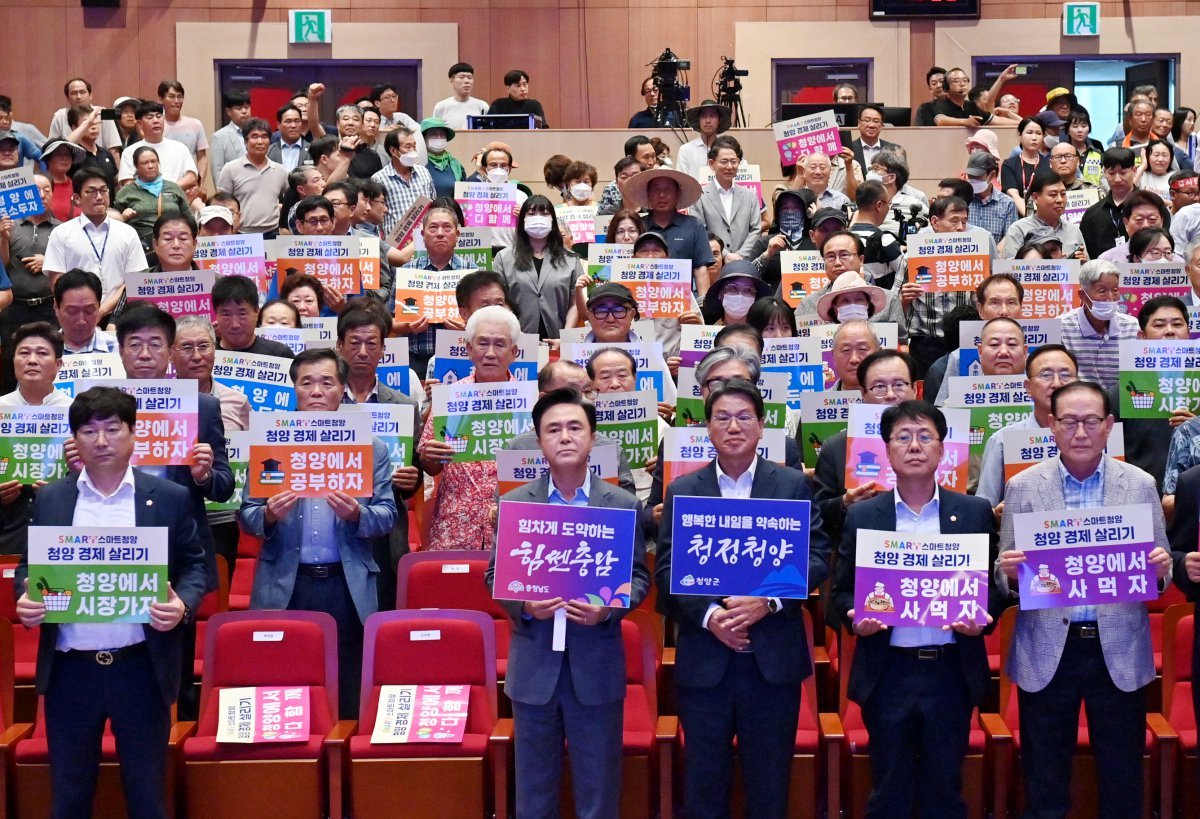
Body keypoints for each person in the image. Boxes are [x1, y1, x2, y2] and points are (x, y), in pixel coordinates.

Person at [14, 385, 208, 817]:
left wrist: (183, 607)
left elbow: (197, 566)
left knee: (146, 797)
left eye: (112, 428)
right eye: (88, 431)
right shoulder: (52, 497)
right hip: (70, 672)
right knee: (69, 797)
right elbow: (30, 568)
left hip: (140, 668)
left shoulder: (168, 498)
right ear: (75, 440)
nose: (101, 441)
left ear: (133, 434)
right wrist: (25, 597)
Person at [995, 380, 1172, 819]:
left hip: (1118, 647)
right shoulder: (1024, 487)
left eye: (1091, 421)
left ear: (1109, 426)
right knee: (1045, 777)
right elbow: (1004, 576)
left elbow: (1161, 577)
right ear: (1051, 426)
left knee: (1122, 776)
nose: (1080, 432)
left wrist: (1160, 567)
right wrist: (1011, 574)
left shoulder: (1140, 484)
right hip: (1048, 648)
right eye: (1069, 421)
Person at [655, 378, 830, 819]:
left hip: (771, 659)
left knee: (770, 787)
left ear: (762, 425)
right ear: (707, 429)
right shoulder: (683, 490)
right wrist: (712, 615)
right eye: (722, 417)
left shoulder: (791, 485)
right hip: (706, 660)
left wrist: (767, 602)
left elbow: (818, 557)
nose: (733, 426)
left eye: (744, 417)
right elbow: (667, 570)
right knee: (704, 786)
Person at [830, 400, 997, 818]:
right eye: (903, 437)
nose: (915, 446)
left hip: (950, 669)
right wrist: (856, 618)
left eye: (926, 437)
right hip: (889, 671)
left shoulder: (973, 512)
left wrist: (981, 621)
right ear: (887, 451)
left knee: (945, 789)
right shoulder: (865, 515)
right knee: (889, 789)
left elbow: (993, 588)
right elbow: (841, 593)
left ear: (943, 450)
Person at [486, 387, 647, 817]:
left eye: (575, 427)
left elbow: (640, 577)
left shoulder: (622, 505)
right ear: (540, 441)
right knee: (534, 795)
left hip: (595, 666)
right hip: (534, 666)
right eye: (553, 429)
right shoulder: (515, 505)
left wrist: (609, 609)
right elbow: (494, 576)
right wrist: (523, 606)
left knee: (599, 792)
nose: (564, 437)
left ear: (592, 438)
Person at [240, 348, 396, 716]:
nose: (315, 391)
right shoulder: (271, 444)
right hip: (286, 582)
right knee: (283, 684)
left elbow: (388, 515)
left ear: (342, 390)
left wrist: (358, 514)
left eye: (326, 382)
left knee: (346, 689)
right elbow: (246, 514)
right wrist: (268, 516)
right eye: (306, 383)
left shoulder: (370, 449)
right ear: (294, 389)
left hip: (346, 583)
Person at [336, 305, 422, 609]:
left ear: (383, 350)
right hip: (333, 523)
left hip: (384, 528)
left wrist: (412, 479)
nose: (362, 351)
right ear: (339, 346)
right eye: (354, 343)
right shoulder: (321, 406)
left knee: (381, 607)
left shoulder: (403, 405)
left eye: (371, 344)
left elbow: (413, 474)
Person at [417, 305, 522, 551]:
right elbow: (430, 467)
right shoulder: (450, 398)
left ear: (514, 351)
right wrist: (429, 456)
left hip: (515, 526)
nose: (490, 353)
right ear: (469, 349)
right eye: (483, 343)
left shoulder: (531, 403)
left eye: (500, 344)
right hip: (455, 526)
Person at [814, 349, 918, 545]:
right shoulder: (837, 447)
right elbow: (817, 512)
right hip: (862, 550)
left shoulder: (939, 441)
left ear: (915, 389)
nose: (889, 395)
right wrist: (844, 502)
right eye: (879, 387)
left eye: (899, 385)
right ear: (862, 393)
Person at [977, 344, 1079, 510]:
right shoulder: (1002, 440)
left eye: (1066, 374)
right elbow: (984, 507)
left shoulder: (1098, 436)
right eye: (1046, 375)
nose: (1056, 383)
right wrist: (996, 515)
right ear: (1028, 388)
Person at [1105, 295, 1193, 488]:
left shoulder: (1197, 386)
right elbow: (1112, 460)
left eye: (1177, 324)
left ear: (1188, 333)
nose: (1169, 331)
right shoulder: (1119, 395)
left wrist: (1196, 427)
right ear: (1141, 337)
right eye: (1159, 325)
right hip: (1144, 497)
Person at [44, 167, 147, 319]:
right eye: (91, 191)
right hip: (77, 316)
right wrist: (86, 311)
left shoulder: (127, 233)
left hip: (120, 315)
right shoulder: (61, 233)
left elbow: (135, 281)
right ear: (77, 198)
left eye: (103, 190)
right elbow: (57, 282)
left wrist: (102, 310)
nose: (99, 197)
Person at [397, 203, 474, 377]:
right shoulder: (407, 271)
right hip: (415, 361)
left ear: (457, 235)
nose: (440, 233)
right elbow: (388, 321)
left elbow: (484, 321)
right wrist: (407, 326)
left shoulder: (472, 273)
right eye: (433, 227)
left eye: (447, 227)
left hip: (461, 356)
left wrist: (468, 327)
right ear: (423, 236)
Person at [925, 273, 1026, 404]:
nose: (1004, 311)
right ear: (980, 309)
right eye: (995, 302)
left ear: (1021, 307)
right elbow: (943, 413)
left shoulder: (1039, 357)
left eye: (1011, 302)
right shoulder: (959, 358)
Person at [495, 195, 581, 339]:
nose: (538, 218)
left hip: (558, 338)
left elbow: (575, 303)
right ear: (523, 219)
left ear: (552, 220)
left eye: (545, 213)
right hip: (517, 339)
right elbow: (499, 301)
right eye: (531, 213)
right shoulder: (503, 258)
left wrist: (565, 337)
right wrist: (516, 332)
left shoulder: (571, 259)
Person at [0, 172, 56, 388]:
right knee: (11, 361)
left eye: (47, 190)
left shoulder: (63, 228)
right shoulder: (9, 225)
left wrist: (47, 262)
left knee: (48, 358)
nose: (41, 195)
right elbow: (2, 266)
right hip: (15, 308)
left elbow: (71, 268)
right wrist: (3, 237)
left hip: (48, 307)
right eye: (36, 190)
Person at [796, 230, 907, 338]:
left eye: (844, 255)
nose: (838, 263)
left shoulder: (888, 300)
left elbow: (901, 345)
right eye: (830, 256)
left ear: (861, 260)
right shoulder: (808, 305)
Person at [621, 168, 713, 295]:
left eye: (668, 189)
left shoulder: (694, 226)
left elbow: (700, 268)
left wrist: (703, 305)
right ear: (648, 194)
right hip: (640, 299)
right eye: (656, 189)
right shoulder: (636, 225)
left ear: (678, 194)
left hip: (678, 301)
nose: (662, 195)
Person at [1059, 259, 1140, 390]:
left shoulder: (1133, 328)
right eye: (1102, 291)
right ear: (1083, 295)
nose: (1110, 298)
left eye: (1115, 290)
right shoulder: (1061, 328)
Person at [688, 136, 760, 262]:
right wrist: (725, 254)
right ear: (711, 164)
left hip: (744, 262)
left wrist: (740, 256)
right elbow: (699, 230)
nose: (729, 166)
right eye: (724, 161)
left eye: (733, 161)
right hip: (712, 262)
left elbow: (756, 229)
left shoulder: (750, 196)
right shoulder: (699, 196)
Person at [215, 117, 289, 238]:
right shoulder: (231, 168)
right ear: (245, 141)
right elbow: (221, 203)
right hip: (241, 233)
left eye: (264, 136)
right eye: (254, 136)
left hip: (273, 233)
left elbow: (291, 198)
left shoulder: (280, 170)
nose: (260, 141)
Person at [113, 146, 189, 250]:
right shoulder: (126, 193)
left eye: (153, 161)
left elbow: (189, 218)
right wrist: (123, 217)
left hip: (173, 244)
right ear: (136, 166)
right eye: (145, 163)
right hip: (140, 246)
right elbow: (114, 226)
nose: (150, 166)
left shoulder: (174, 188)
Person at [1001, 171, 1087, 258]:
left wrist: (1083, 264)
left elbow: (1088, 268)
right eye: (1053, 195)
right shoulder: (1019, 230)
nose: (1060, 200)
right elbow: (1010, 269)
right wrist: (1051, 266)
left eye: (1063, 194)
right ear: (1035, 197)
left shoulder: (1073, 230)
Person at [371, 127, 436, 238]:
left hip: (424, 240)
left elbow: (433, 205)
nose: (413, 151)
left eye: (414, 146)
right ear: (393, 151)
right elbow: (376, 216)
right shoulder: (379, 178)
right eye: (408, 147)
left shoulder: (424, 173)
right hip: (396, 244)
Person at [117, 101, 198, 189]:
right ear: (140, 124)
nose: (156, 121)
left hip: (175, 196)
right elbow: (128, 183)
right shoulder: (129, 152)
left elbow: (192, 177)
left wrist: (169, 190)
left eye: (159, 116)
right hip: (144, 200)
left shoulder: (180, 148)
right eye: (150, 117)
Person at [212, 273, 295, 359]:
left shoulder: (279, 354)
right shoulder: (207, 357)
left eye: (242, 314)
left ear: (256, 311)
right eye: (226, 315)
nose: (235, 324)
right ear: (216, 314)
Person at [748, 189, 813, 291]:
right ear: (778, 213)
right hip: (772, 304)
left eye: (796, 208)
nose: (790, 212)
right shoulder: (764, 243)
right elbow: (748, 277)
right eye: (785, 208)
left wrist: (817, 218)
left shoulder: (814, 242)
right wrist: (767, 254)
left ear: (804, 212)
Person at [1080, 148, 1139, 258]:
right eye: (1111, 173)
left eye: (1123, 173)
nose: (1117, 179)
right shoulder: (1092, 214)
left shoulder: (1151, 206)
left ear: (1134, 170)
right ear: (1104, 172)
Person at [47, 78, 124, 155]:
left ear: (90, 95)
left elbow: (113, 149)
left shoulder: (102, 113)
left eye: (82, 92)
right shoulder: (59, 116)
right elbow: (52, 148)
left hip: (100, 162)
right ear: (67, 98)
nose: (79, 97)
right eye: (74, 93)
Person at [52, 268, 117, 354]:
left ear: (99, 306)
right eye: (72, 312)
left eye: (88, 311)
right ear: (56, 307)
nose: (81, 321)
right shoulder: (42, 353)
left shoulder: (119, 350)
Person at [1096, 190, 1172, 263]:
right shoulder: (1108, 260)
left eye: (1152, 219)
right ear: (1126, 223)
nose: (1145, 225)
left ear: (1161, 222)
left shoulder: (1178, 263)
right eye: (1139, 220)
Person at [934, 65, 1016, 127]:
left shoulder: (971, 106)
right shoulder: (940, 105)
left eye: (965, 80)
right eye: (956, 81)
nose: (962, 84)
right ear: (946, 87)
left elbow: (995, 120)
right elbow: (940, 120)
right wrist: (965, 122)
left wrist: (1025, 123)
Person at [1002, 117, 1051, 218]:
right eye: (1029, 132)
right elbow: (1013, 195)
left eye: (1038, 133)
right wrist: (1032, 219)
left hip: (1045, 218)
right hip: (1015, 217)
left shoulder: (1049, 164)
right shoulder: (1009, 164)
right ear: (1020, 135)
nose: (1034, 137)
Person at [701, 260, 772, 326]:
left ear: (755, 296)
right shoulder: (707, 334)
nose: (740, 295)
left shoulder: (763, 335)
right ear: (720, 293)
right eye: (733, 288)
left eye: (748, 290)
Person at [677, 100, 732, 182]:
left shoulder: (729, 150)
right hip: (695, 194)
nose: (708, 121)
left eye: (713, 116)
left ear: (719, 120)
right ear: (698, 120)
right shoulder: (686, 150)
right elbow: (681, 181)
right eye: (703, 116)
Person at [208, 89, 252, 182]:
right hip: (233, 191)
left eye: (247, 107)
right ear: (228, 111)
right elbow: (218, 171)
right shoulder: (219, 136)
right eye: (239, 108)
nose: (244, 111)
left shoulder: (257, 133)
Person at [431, 63, 490, 130]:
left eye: (470, 78)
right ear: (451, 80)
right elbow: (435, 133)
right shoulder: (441, 107)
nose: (467, 81)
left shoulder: (482, 106)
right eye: (462, 77)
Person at [420, 117, 465, 200]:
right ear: (423, 138)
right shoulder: (419, 163)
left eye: (442, 134)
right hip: (428, 211)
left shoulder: (455, 164)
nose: (439, 138)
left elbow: (464, 192)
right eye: (433, 134)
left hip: (451, 211)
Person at [850, 105, 898, 175]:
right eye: (867, 120)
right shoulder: (849, 148)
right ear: (859, 123)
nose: (871, 125)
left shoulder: (891, 150)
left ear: (882, 125)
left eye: (876, 121)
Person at [267, 103, 311, 172]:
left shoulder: (312, 150)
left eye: (297, 121)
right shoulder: (269, 151)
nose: (293, 125)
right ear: (278, 125)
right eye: (288, 121)